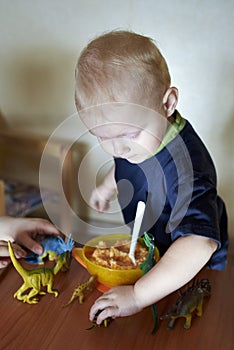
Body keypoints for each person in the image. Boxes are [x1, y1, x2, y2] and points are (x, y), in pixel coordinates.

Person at [74, 30, 228, 325]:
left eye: (128, 135)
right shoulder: (134, 137)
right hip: (157, 250)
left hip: (192, 266)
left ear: (167, 103)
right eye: (101, 137)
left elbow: (199, 243)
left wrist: (138, 296)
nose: (117, 148)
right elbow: (124, 160)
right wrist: (108, 185)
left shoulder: (187, 167)